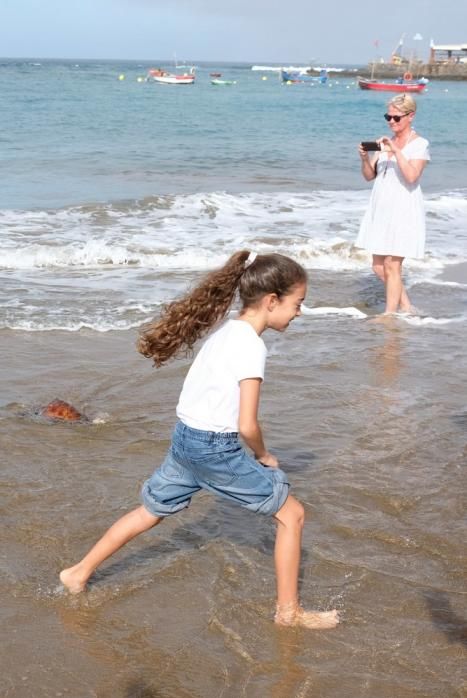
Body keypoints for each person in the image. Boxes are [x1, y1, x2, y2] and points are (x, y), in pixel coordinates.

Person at [60, 251, 339, 630]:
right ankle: (288, 613)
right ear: (272, 301)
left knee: (150, 510)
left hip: (184, 439)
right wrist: (264, 455)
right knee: (293, 515)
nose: (298, 313)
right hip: (213, 448)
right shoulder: (252, 346)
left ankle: (78, 572)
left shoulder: (226, 331)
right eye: (297, 304)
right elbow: (247, 425)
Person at [355, 94, 430, 314]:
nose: (391, 121)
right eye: (388, 116)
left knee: (392, 264)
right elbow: (369, 176)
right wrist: (365, 157)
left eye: (396, 117)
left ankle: (389, 314)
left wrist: (395, 151)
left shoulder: (420, 144)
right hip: (381, 207)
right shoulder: (383, 144)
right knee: (378, 267)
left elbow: (412, 176)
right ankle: (406, 307)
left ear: (410, 116)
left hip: (404, 208)